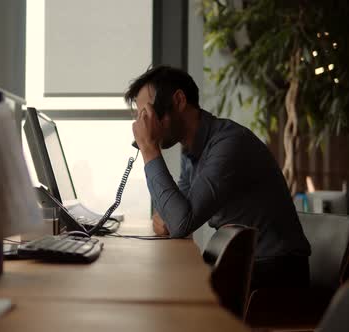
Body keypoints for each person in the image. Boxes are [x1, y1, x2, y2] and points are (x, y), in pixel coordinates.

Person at [127, 65, 311, 290]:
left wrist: (148, 148)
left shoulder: (229, 144)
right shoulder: (193, 150)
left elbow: (179, 223)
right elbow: (173, 216)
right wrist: (169, 216)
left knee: (168, 290)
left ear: (178, 100)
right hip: (248, 267)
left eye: (147, 113)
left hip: (277, 273)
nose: (143, 125)